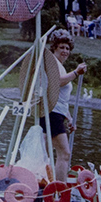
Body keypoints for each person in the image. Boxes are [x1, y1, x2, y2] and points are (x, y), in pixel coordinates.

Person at [39, 29, 87, 182]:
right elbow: (57, 81)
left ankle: (44, 185)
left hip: (56, 113)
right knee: (64, 154)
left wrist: (69, 118)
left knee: (44, 153)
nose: (65, 51)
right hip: (51, 113)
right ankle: (60, 191)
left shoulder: (59, 65)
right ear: (54, 48)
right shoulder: (52, 61)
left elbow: (59, 97)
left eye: (67, 48)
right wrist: (76, 73)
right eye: (62, 47)